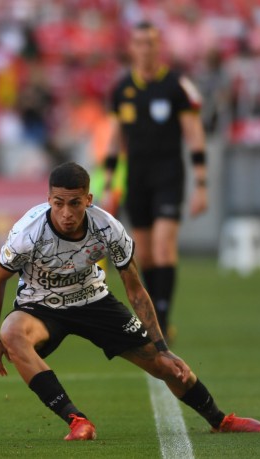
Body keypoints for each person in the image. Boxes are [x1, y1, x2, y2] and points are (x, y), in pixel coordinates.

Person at [0, 162, 260, 441]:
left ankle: (220, 419)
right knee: (11, 333)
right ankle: (76, 420)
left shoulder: (108, 228)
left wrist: (163, 347)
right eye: (58, 203)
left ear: (88, 200)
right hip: (41, 305)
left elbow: (135, 290)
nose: (66, 213)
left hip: (93, 300)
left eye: (75, 203)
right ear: (48, 200)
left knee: (163, 366)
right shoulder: (29, 233)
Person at [102, 21, 209, 338]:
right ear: (131, 48)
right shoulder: (122, 89)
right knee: (144, 253)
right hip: (137, 177)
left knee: (164, 246)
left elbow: (193, 132)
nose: (145, 48)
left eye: (150, 42)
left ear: (158, 46)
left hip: (169, 175)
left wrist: (201, 182)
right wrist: (108, 179)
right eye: (139, 42)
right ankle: (155, 315)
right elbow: (115, 137)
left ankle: (160, 317)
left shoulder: (177, 86)